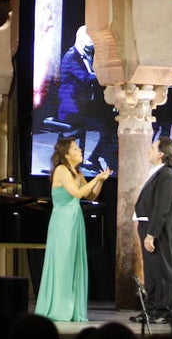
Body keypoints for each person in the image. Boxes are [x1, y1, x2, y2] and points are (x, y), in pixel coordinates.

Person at [34, 137, 112, 322]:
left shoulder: (76, 172)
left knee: (74, 261)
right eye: (76, 148)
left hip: (75, 219)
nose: (80, 151)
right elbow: (77, 193)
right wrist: (97, 179)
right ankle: (59, 308)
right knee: (63, 263)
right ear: (66, 154)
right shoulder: (61, 170)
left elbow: (90, 194)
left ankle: (73, 308)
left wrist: (100, 180)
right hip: (62, 222)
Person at [131, 137, 172, 325]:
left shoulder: (167, 175)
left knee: (163, 271)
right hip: (150, 229)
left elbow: (162, 208)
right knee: (151, 272)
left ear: (161, 153)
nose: (149, 150)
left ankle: (163, 311)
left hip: (162, 232)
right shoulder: (158, 173)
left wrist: (151, 234)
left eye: (153, 147)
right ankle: (150, 310)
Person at [57, 26, 116, 171]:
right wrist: (107, 76)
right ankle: (96, 158)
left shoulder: (82, 55)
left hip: (82, 105)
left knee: (110, 122)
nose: (91, 48)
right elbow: (85, 77)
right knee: (108, 126)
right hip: (71, 109)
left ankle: (96, 158)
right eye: (89, 45)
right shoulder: (71, 57)